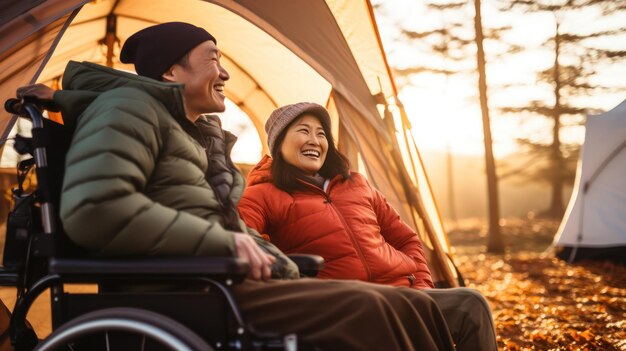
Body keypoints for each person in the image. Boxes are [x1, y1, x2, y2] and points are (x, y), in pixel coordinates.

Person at [17, 22, 457, 351]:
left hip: (215, 284)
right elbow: (96, 209)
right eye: (213, 59)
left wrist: (275, 261)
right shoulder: (128, 108)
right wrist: (220, 241)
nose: (223, 72)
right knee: (376, 308)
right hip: (190, 293)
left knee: (410, 304)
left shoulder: (178, 127)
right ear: (172, 71)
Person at [238, 102, 499, 351]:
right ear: (278, 143)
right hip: (348, 304)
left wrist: (421, 288)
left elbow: (406, 240)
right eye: (303, 131)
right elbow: (241, 236)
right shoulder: (262, 194)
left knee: (471, 304)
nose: (314, 140)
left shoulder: (356, 183)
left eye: (321, 134)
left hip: (404, 292)